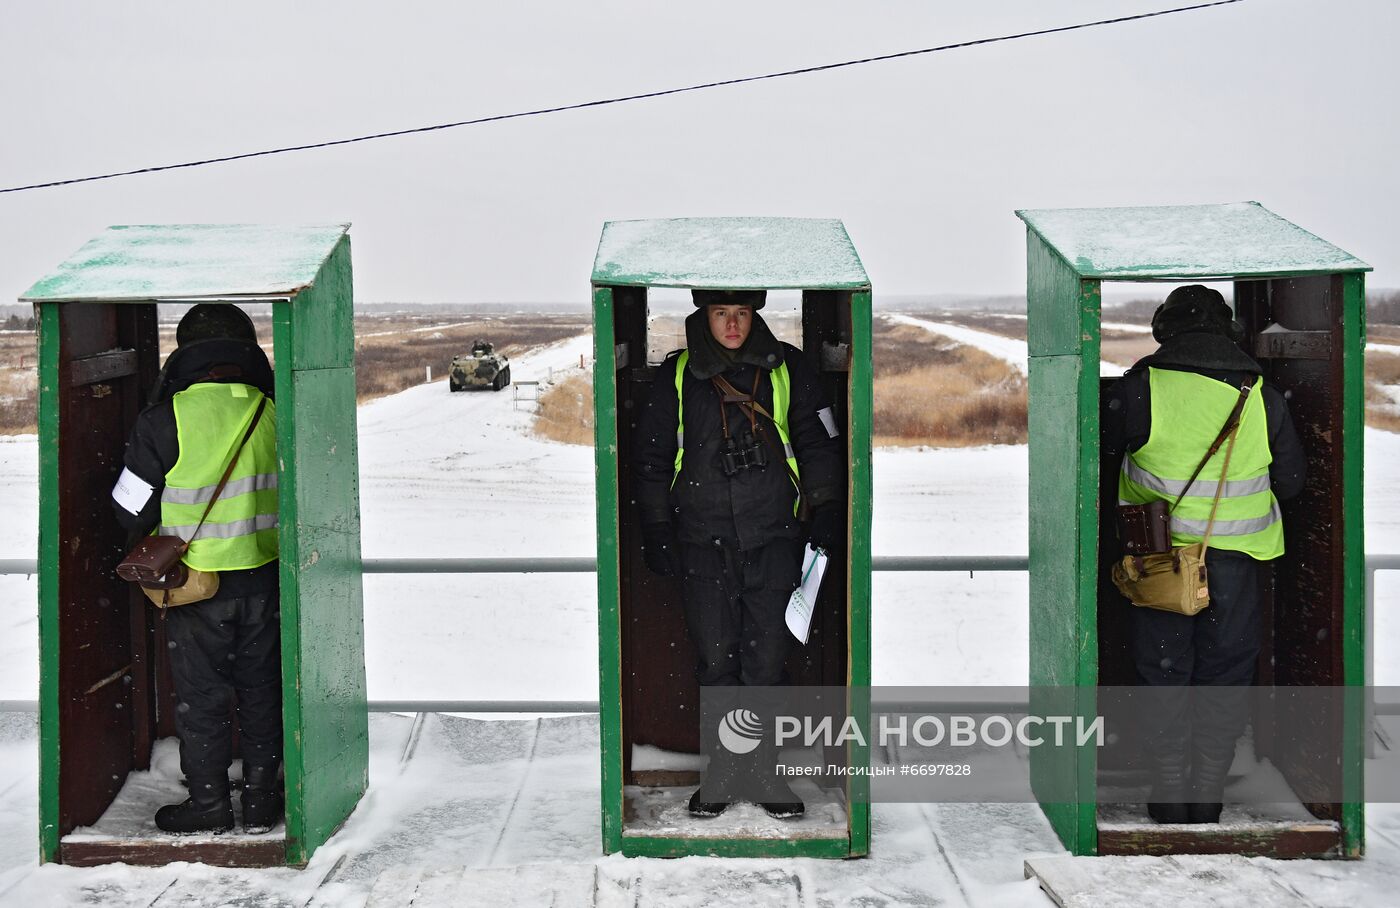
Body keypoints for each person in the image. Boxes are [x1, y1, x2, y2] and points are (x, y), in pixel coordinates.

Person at [633, 289, 843, 819]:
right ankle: (724, 773)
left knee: (765, 662)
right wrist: (656, 527)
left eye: (742, 314)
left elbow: (818, 444)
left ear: (756, 316)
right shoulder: (678, 376)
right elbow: (652, 459)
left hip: (774, 540)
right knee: (717, 661)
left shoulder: (787, 369)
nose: (732, 325)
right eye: (721, 314)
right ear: (704, 316)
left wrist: (824, 510)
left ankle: (765, 772)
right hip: (702, 544)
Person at [1103, 284, 1306, 825]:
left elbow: (1099, 465)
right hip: (1238, 563)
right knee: (1225, 673)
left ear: (1163, 329)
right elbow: (1291, 481)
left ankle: (1169, 793)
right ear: (1228, 331)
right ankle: (1208, 793)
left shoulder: (1141, 389)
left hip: (1161, 563)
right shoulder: (1261, 395)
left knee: (1162, 672)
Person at [112, 304, 282, 835]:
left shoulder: (163, 420)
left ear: (185, 353)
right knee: (261, 691)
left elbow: (129, 509)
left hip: (196, 585)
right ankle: (261, 802)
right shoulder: (274, 411)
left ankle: (209, 804)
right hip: (266, 577)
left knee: (203, 697)